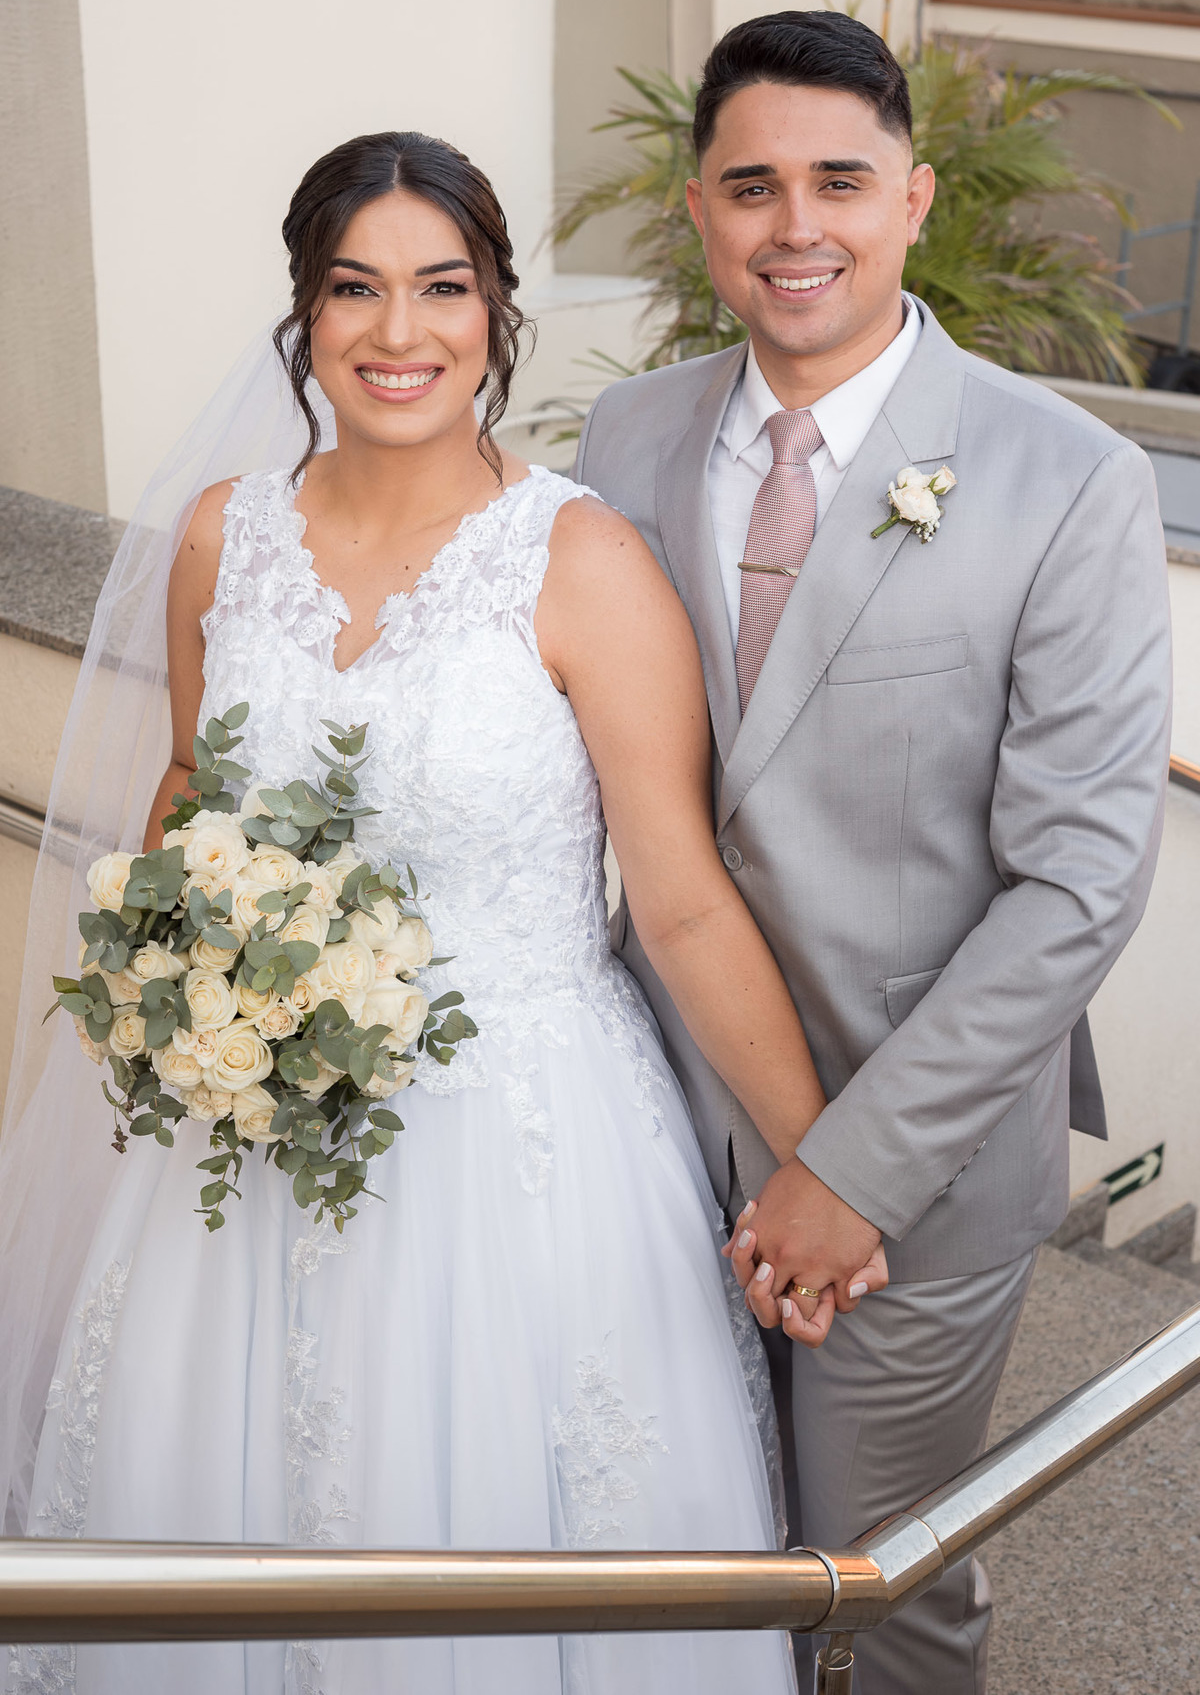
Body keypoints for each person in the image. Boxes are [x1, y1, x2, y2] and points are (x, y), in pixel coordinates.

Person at [1, 128, 890, 1695]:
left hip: (523, 1154)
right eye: (354, 288)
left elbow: (678, 900)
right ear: (302, 311)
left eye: (441, 288)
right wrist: (168, 996)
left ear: (495, 313)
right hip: (247, 1148)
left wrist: (830, 1160)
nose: (396, 334)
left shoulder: (580, 560)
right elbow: (188, 807)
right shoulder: (224, 536)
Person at [574, 11, 1172, 1692]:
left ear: (911, 199)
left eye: (839, 179)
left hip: (919, 1169)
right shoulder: (625, 439)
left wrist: (850, 1172)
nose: (796, 223)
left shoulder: (1072, 480)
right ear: (698, 210)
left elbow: (1077, 884)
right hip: (649, 1124)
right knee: (687, 1559)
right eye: (751, 185)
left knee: (878, 1588)